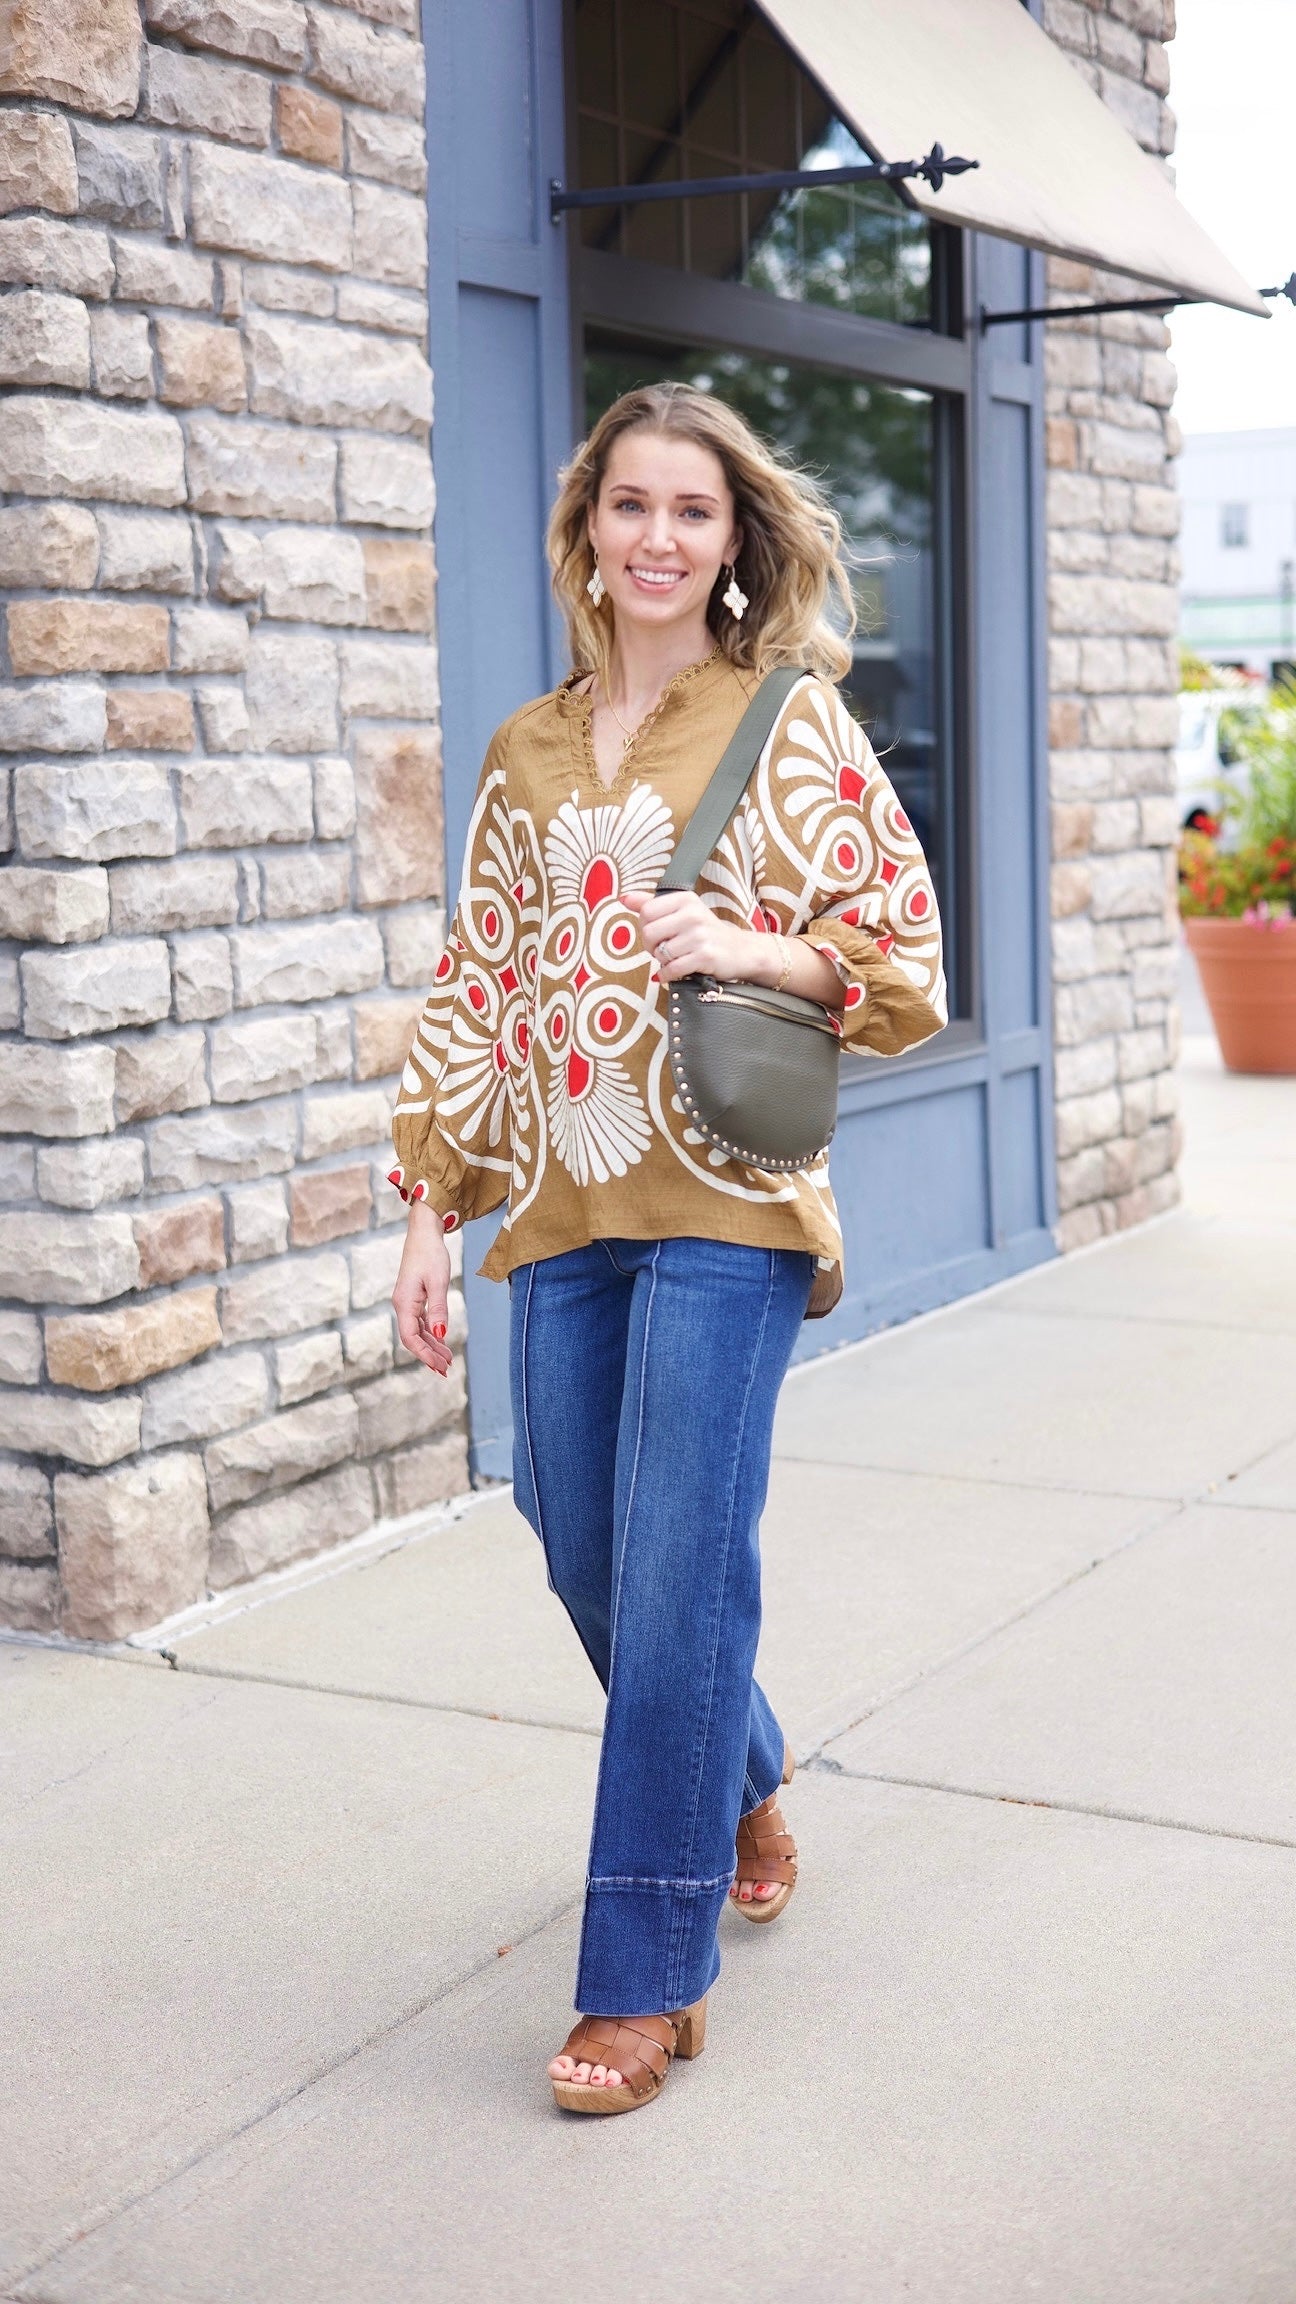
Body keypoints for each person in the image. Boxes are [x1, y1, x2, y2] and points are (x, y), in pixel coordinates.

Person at [390, 382, 946, 2117]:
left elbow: (907, 952)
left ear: (733, 540)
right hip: (560, 1201)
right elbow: (481, 982)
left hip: (727, 1201)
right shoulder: (525, 751)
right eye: (628, 505)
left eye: (690, 511)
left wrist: (760, 947)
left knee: (683, 1560)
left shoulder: (789, 725)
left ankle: (645, 1975)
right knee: (582, 1547)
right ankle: (743, 1772)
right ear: (587, 532)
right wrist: (429, 1204)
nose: (655, 536)